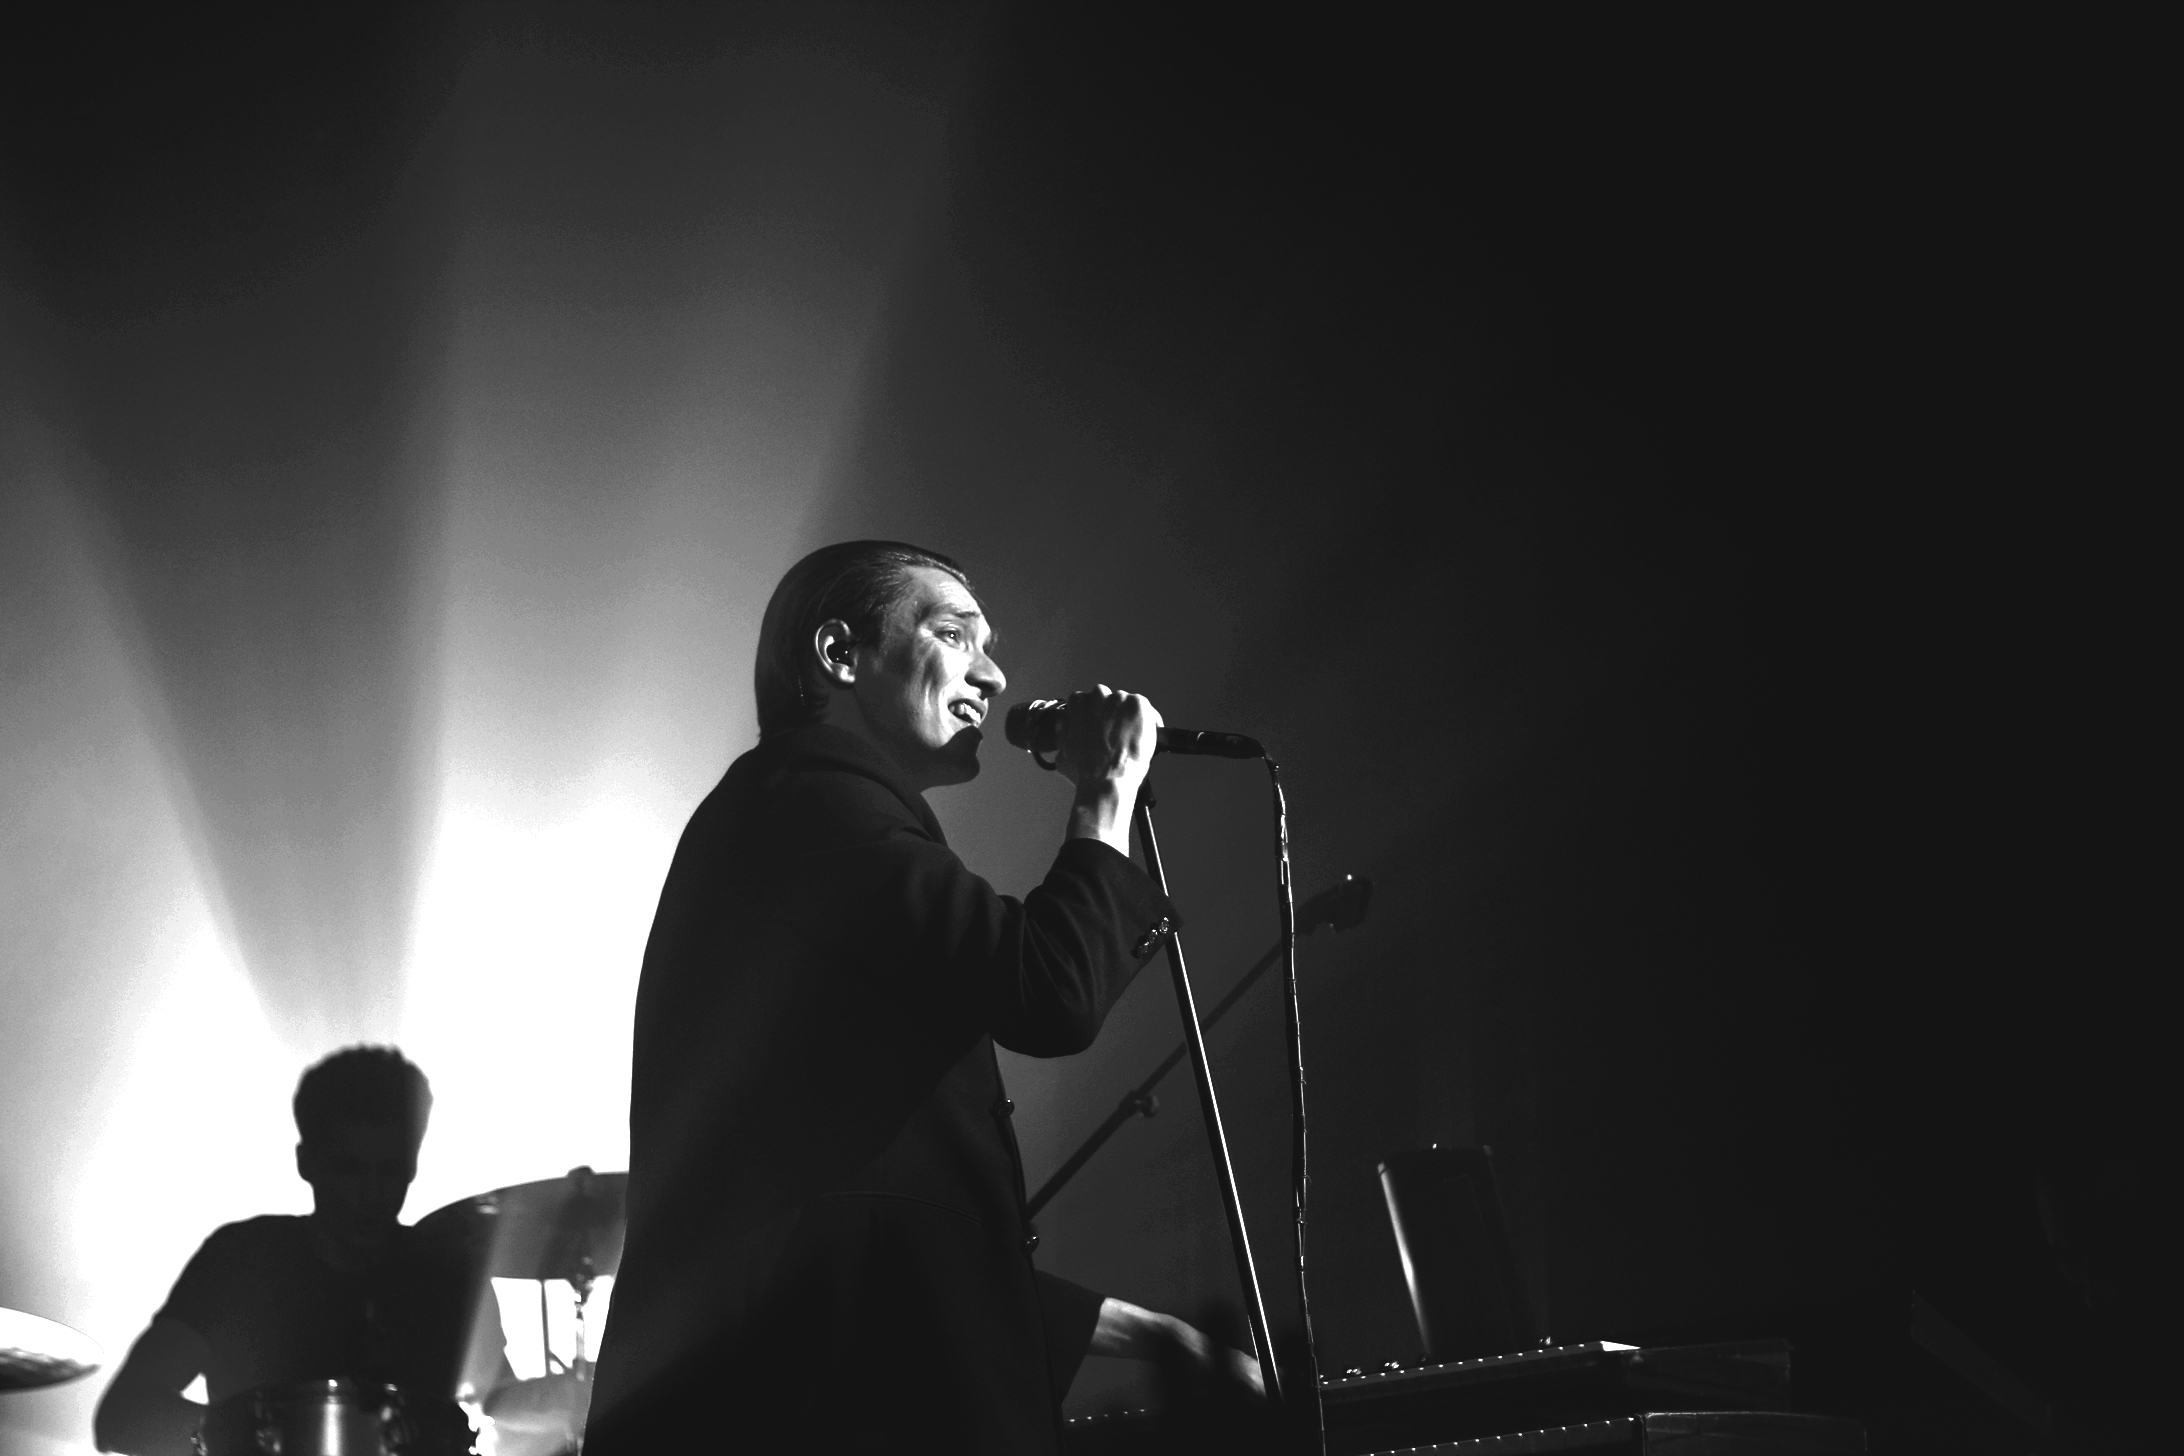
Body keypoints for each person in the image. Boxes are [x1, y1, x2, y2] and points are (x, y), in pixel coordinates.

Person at [586, 541, 1259, 1453]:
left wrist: (1157, 1335)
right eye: (953, 635)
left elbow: (882, 1207)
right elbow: (1048, 989)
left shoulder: (805, 816)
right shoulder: (809, 802)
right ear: (840, 654)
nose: (995, 675)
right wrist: (1106, 794)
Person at [94, 1046, 496, 1455]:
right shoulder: (242, 1261)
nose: (373, 1193)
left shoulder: (447, 1277)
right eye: (350, 1169)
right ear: (307, 1162)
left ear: (413, 1167)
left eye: (391, 1170)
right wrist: (259, 1439)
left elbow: (506, 1418)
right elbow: (124, 1415)